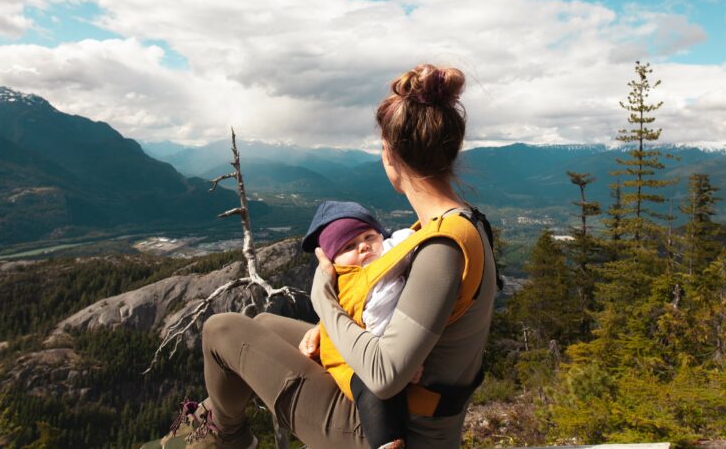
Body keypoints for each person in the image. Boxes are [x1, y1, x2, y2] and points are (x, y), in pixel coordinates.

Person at [195, 64, 498, 449]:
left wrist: (324, 299)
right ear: (453, 149)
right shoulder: (460, 225)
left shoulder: (442, 249)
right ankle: (211, 428)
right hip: (407, 413)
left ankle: (226, 441)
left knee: (221, 330)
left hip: (390, 432)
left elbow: (385, 374)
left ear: (389, 156)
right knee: (267, 324)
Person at [299, 200, 418, 449]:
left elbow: (409, 240)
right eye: (349, 246)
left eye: (369, 236)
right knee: (373, 389)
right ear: (336, 261)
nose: (363, 246)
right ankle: (385, 443)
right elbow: (348, 315)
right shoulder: (348, 281)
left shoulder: (390, 254)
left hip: (387, 349)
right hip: (350, 360)